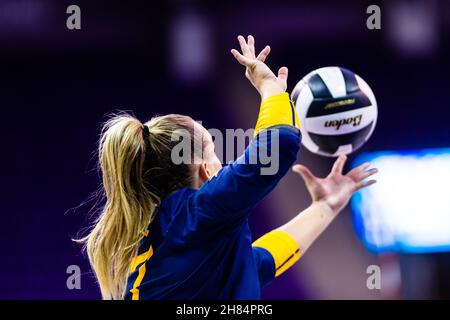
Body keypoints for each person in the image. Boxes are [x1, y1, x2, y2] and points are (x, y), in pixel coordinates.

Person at [78, 35, 377, 300]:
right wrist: (269, 86)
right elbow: (281, 144)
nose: (223, 162)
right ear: (205, 170)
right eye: (214, 149)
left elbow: (259, 263)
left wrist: (325, 206)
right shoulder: (196, 214)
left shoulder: (180, 229)